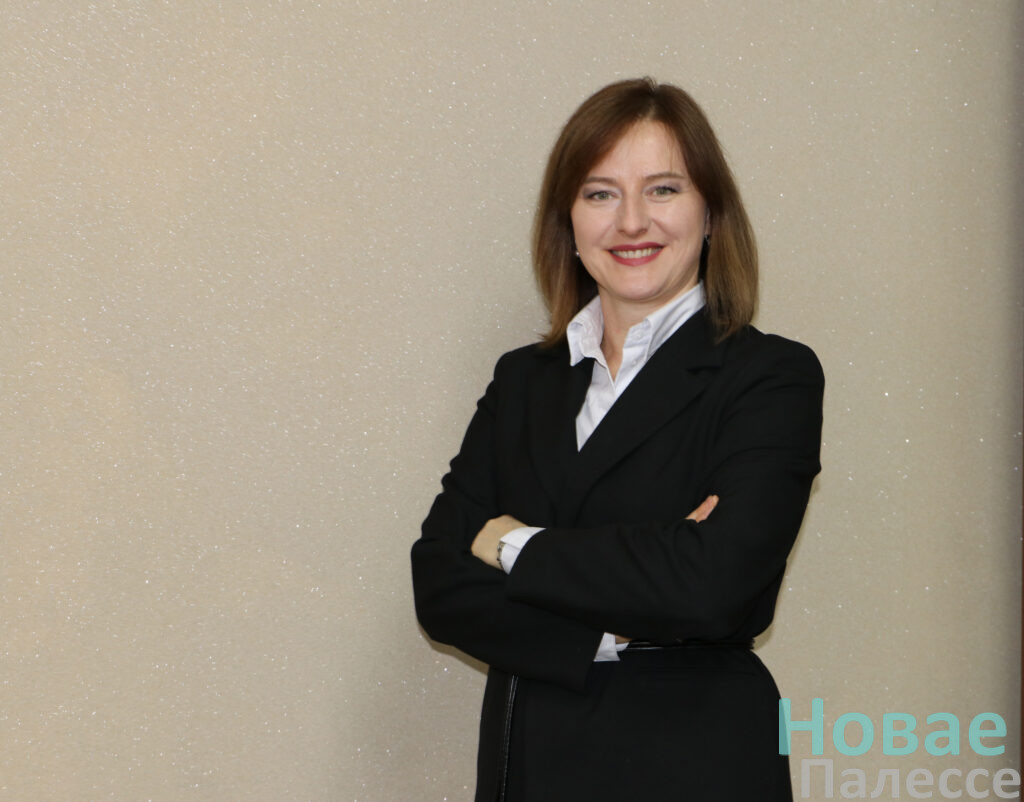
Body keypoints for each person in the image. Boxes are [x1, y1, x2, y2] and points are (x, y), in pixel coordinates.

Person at [411, 77, 823, 802]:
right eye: (600, 194)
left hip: (690, 762)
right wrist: (616, 623)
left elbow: (712, 586)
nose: (632, 222)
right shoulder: (523, 380)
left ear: (710, 213)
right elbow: (439, 582)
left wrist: (510, 544)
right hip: (527, 762)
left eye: (663, 189)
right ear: (568, 223)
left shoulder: (769, 376)